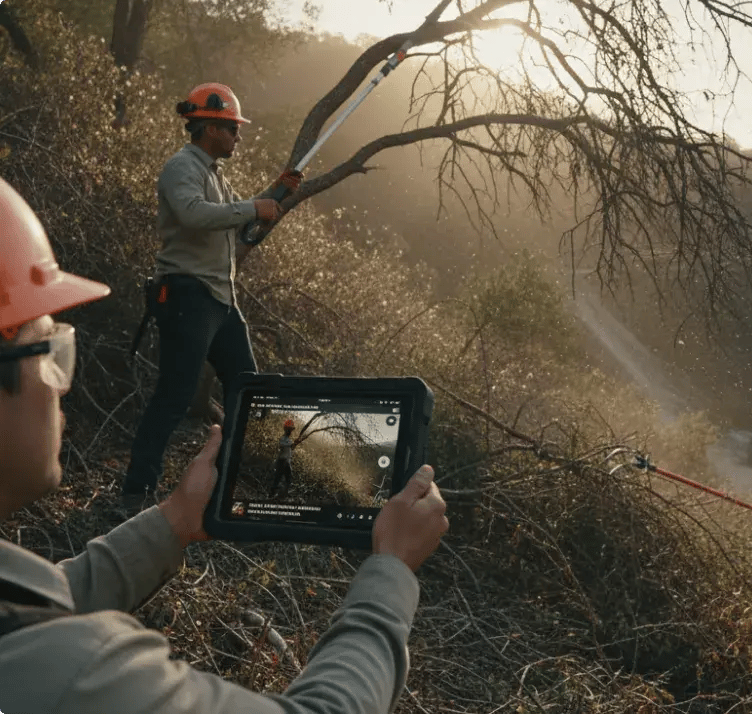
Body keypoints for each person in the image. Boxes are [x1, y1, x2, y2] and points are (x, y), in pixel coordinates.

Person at [0, 177, 450, 713]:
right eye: (49, 351)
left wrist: (174, 520)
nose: (61, 383)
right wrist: (391, 574)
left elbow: (36, 602)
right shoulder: (76, 676)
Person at [121, 82, 302, 513]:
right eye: (232, 129)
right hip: (187, 294)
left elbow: (232, 222)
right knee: (175, 395)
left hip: (221, 300)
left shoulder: (216, 176)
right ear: (209, 127)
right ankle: (136, 492)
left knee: (248, 389)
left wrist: (274, 194)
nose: (238, 137)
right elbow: (194, 214)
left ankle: (222, 487)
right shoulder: (181, 168)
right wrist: (254, 207)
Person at [270, 418, 309, 499]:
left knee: (287, 480)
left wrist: (297, 442)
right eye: (289, 430)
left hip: (286, 462)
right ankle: (272, 496)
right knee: (278, 480)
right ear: (286, 430)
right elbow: (285, 445)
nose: (290, 431)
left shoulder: (288, 440)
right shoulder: (283, 439)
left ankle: (282, 496)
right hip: (282, 461)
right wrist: (294, 443)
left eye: (291, 430)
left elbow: (291, 448)